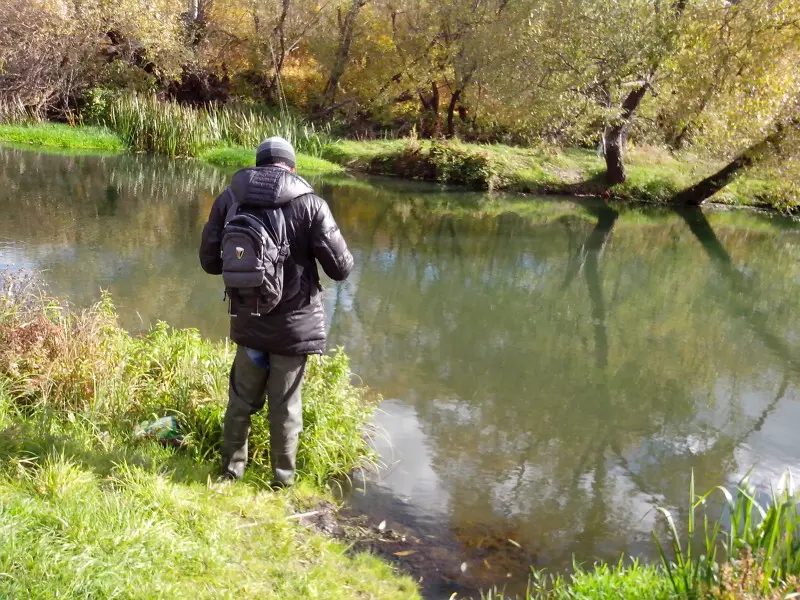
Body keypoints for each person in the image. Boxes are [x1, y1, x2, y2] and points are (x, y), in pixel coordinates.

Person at [199, 136, 353, 486]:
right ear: (292, 167)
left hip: (248, 318)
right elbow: (340, 270)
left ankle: (230, 472)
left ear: (257, 164)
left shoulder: (230, 198)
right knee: (285, 409)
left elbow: (209, 261)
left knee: (240, 402)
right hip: (293, 328)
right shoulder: (310, 204)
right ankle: (281, 482)